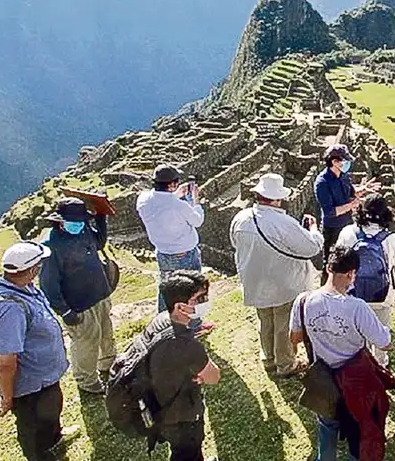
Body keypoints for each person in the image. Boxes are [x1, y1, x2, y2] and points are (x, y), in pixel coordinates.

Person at [290, 245, 393, 461]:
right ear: (351, 274)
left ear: (328, 269)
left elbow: (295, 338)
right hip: (355, 381)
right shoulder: (357, 307)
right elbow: (384, 343)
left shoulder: (303, 301)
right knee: (358, 429)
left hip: (323, 378)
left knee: (327, 425)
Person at [0, 241, 78, 461]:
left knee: (51, 412)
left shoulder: (17, 285)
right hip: (29, 386)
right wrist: (6, 397)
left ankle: (55, 440)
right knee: (34, 429)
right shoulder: (8, 310)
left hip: (42, 377)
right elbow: (6, 361)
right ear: (33, 269)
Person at [230, 173, 323, 377]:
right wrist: (314, 231)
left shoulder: (241, 218)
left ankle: (269, 359)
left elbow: (235, 244)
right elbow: (311, 248)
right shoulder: (284, 223)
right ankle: (285, 364)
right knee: (284, 324)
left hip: (255, 280)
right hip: (284, 283)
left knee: (265, 321)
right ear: (277, 198)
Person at [39, 198, 115, 394]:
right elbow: (48, 284)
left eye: (82, 221)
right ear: (60, 221)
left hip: (99, 294)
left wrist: (100, 219)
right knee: (86, 343)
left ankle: (108, 365)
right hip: (79, 305)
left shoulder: (83, 230)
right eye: (75, 222)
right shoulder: (51, 246)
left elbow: (98, 243)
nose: (79, 225)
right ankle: (87, 381)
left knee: (106, 334)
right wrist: (64, 311)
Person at [145, 270, 221, 461]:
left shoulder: (159, 321)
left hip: (158, 405)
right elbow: (214, 377)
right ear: (180, 307)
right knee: (187, 452)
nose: (205, 301)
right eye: (199, 298)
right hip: (182, 415)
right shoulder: (187, 345)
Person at [334, 194, 395, 367]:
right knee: (381, 331)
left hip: (352, 293)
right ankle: (380, 363)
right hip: (381, 296)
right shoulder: (393, 239)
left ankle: (358, 362)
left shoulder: (347, 233)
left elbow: (338, 262)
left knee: (356, 330)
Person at [136, 164, 211, 332]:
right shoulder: (179, 205)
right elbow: (198, 220)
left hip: (163, 253)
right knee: (193, 290)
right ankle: (194, 326)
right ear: (171, 185)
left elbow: (162, 203)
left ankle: (163, 326)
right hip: (185, 254)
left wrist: (176, 194)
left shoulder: (143, 199)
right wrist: (195, 199)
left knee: (166, 289)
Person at [313, 145, 381, 276]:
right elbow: (330, 212)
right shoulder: (322, 182)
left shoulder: (343, 176)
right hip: (333, 228)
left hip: (348, 224)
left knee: (349, 261)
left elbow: (350, 191)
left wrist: (364, 188)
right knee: (332, 263)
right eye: (344, 160)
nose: (347, 163)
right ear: (334, 161)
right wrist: (352, 205)